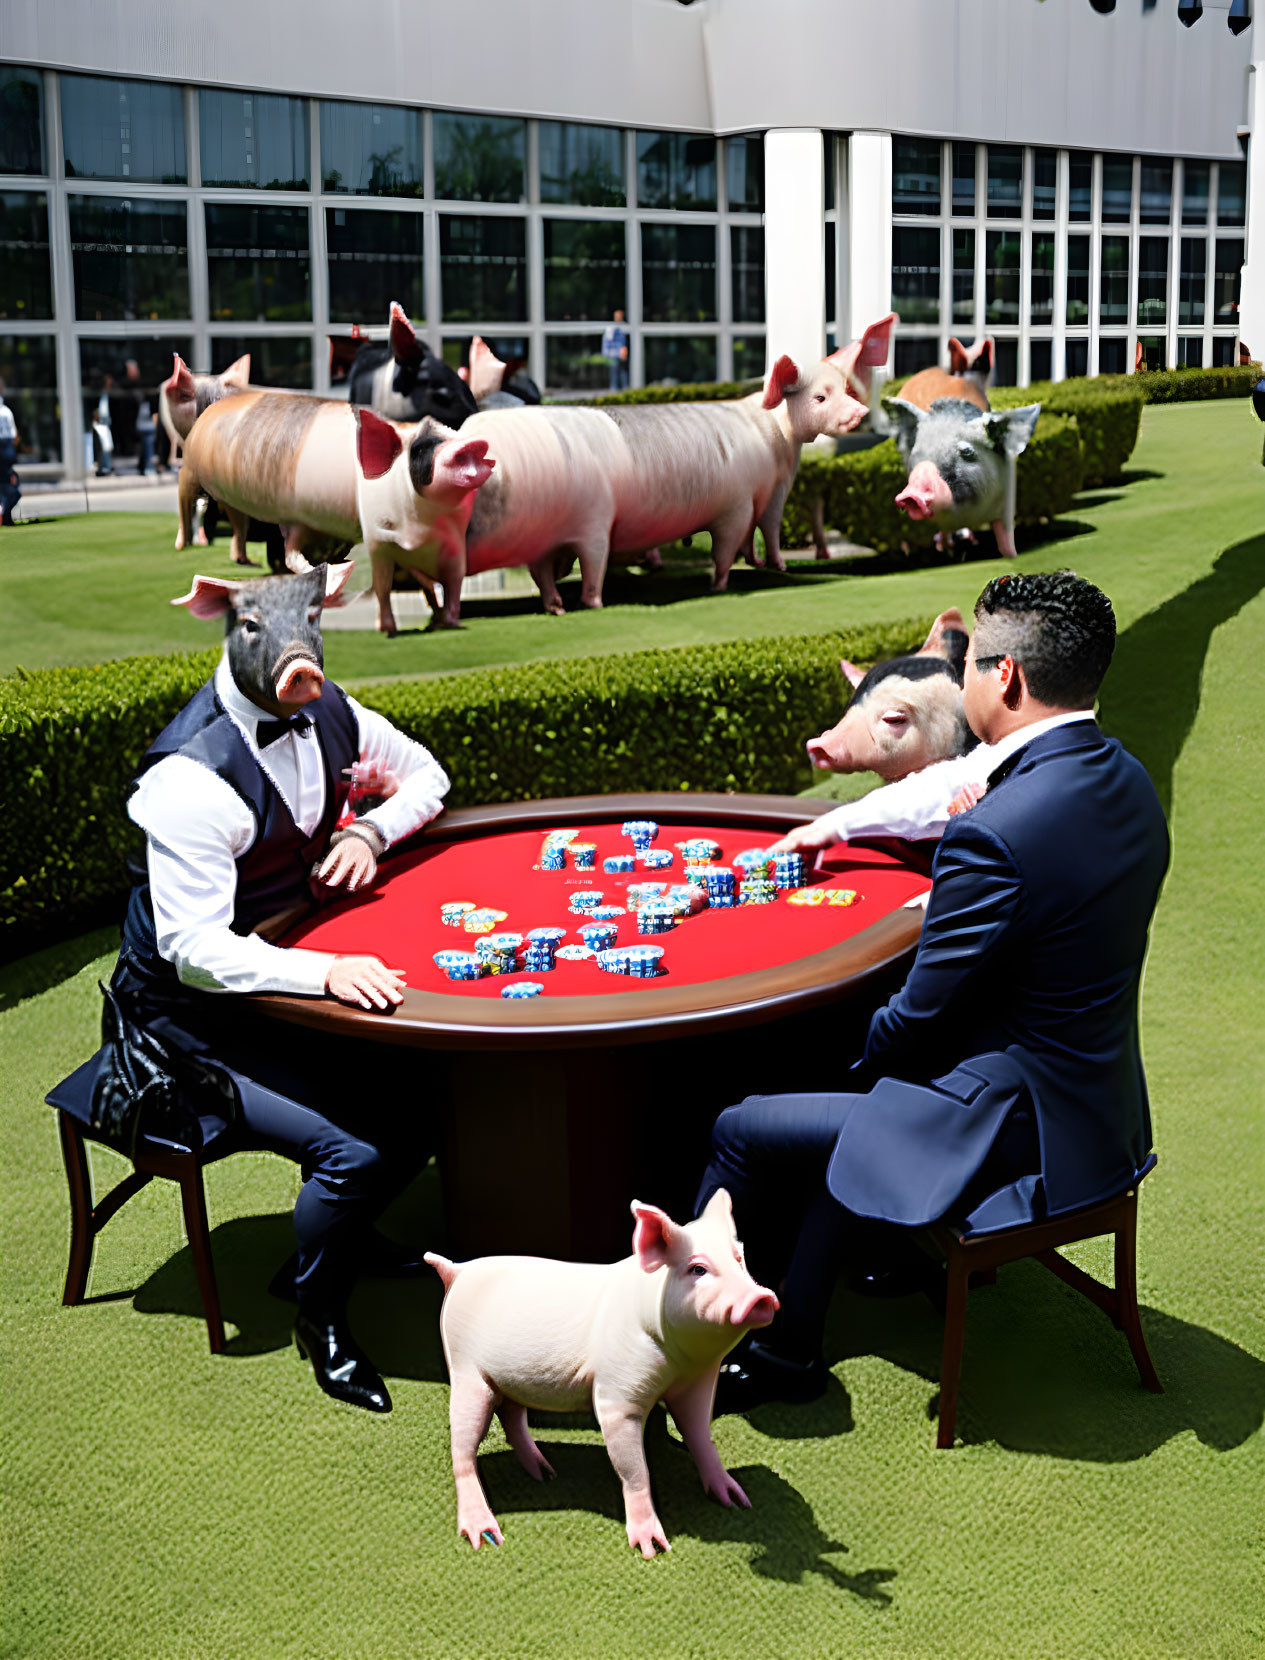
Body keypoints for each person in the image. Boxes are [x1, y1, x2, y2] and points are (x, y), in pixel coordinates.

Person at [697, 570, 1170, 1412]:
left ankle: (717, 1345)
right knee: (861, 1097)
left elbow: (914, 1019)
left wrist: (836, 1052)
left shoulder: (992, 831)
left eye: (968, 667)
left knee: (751, 1118)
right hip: (1101, 1111)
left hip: (1010, 1125)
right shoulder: (1127, 778)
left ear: (1005, 678)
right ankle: (827, 1300)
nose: (958, 684)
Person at [110, 567, 451, 1414]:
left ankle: (343, 1236)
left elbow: (427, 777)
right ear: (231, 629)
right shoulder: (189, 778)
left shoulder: (331, 710)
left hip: (276, 986)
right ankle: (319, 1318)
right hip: (185, 1023)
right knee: (357, 1149)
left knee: (429, 1087)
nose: (297, 653)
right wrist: (326, 973)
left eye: (308, 625)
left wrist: (371, 829)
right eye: (265, 629)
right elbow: (192, 952)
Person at [0, 382, 20, 526]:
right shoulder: (6, 411)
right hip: (6, 450)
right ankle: (5, 515)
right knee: (10, 484)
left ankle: (4, 514)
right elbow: (15, 436)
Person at [602, 310, 630, 392]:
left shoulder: (625, 327)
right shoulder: (611, 328)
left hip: (622, 353)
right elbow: (607, 341)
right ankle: (614, 389)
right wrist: (606, 352)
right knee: (614, 372)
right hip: (613, 353)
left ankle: (625, 389)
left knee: (623, 372)